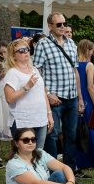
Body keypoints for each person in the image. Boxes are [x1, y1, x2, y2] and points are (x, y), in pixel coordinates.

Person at [32, 13, 83, 175]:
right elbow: (36, 72)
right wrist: (47, 94)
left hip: (72, 97)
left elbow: (75, 71)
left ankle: (70, 173)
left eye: (64, 23)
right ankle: (54, 173)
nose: (62, 27)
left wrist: (80, 97)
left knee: (71, 136)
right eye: (59, 24)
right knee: (52, 137)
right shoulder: (43, 44)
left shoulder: (71, 43)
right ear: (50, 26)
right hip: (54, 99)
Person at [2, 39, 53, 147]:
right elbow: (9, 98)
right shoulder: (12, 73)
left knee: (38, 153)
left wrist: (49, 114)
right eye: (21, 50)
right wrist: (26, 87)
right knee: (25, 155)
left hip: (40, 119)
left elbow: (42, 93)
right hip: (23, 121)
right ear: (13, 55)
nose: (25, 52)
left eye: (27, 49)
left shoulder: (34, 69)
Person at [74, 39, 94, 171]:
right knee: (91, 128)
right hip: (87, 98)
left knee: (79, 131)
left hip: (76, 98)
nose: (92, 53)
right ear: (87, 50)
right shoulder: (89, 65)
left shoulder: (74, 64)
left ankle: (80, 161)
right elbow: (91, 87)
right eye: (92, 50)